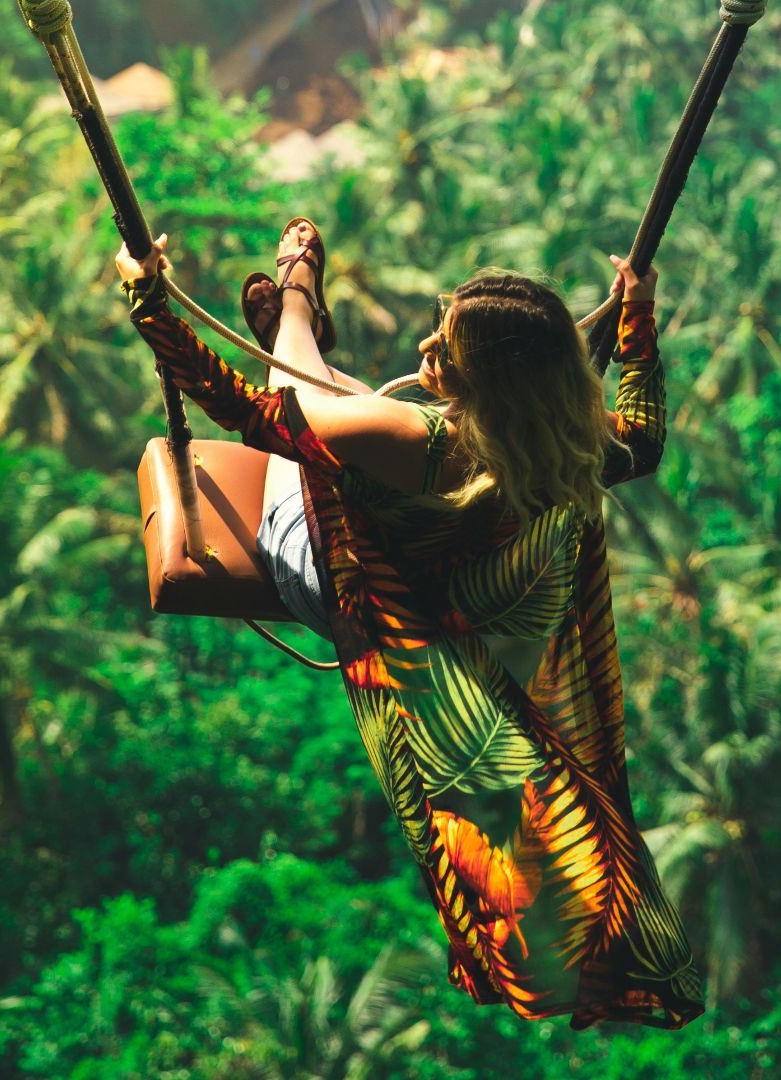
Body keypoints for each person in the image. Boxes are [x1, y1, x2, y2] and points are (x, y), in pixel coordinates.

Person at [115, 218, 703, 1030]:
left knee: (313, 413)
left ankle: (297, 313)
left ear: (484, 385)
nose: (427, 345)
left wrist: (151, 298)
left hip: (351, 584)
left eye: (445, 347)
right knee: (350, 419)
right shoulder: (571, 447)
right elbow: (644, 434)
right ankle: (307, 344)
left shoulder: (422, 440)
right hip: (454, 596)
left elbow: (251, 414)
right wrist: (636, 316)